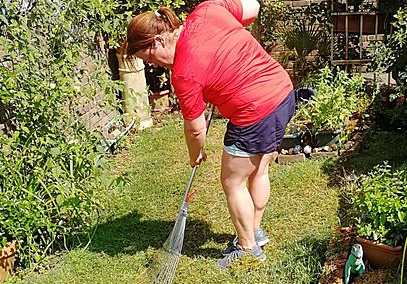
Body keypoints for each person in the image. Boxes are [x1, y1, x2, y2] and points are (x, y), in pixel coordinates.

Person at [124, 0, 294, 268]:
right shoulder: (208, 10)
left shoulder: (184, 74)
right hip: (282, 93)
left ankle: (248, 249)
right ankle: (255, 232)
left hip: (254, 111)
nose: (154, 65)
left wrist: (196, 154)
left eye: (149, 58)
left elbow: (195, 128)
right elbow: (253, 7)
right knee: (259, 170)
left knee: (232, 181)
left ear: (158, 41)